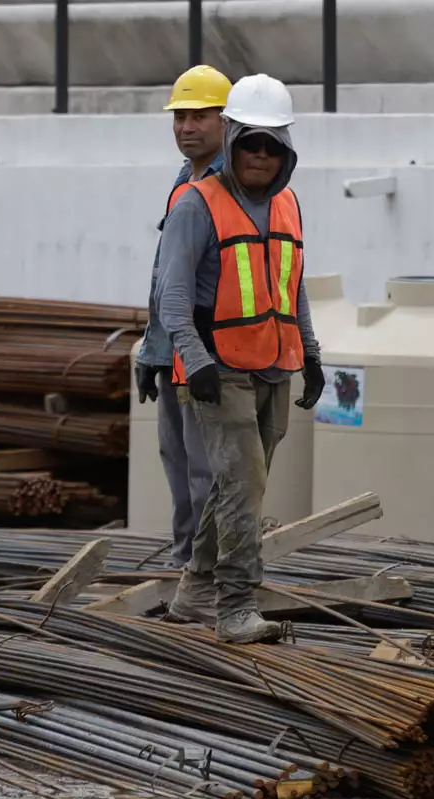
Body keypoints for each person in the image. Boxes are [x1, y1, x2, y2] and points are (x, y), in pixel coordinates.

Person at [154, 74, 326, 644]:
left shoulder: (289, 204)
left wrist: (312, 352)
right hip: (218, 367)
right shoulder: (197, 203)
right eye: (250, 142)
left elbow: (293, 281)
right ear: (230, 139)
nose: (259, 155)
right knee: (243, 484)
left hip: (275, 364)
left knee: (238, 486)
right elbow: (173, 292)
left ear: (286, 152)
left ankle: (194, 591)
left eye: (271, 146)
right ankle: (235, 605)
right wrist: (192, 358)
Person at [135, 64, 231, 569]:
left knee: (205, 471)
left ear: (225, 122)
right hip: (173, 348)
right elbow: (165, 274)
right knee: (177, 463)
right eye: (180, 117)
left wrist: (197, 357)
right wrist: (153, 350)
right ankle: (182, 562)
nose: (186, 127)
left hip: (207, 353)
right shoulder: (184, 179)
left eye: (199, 116)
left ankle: (204, 572)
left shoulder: (229, 185)